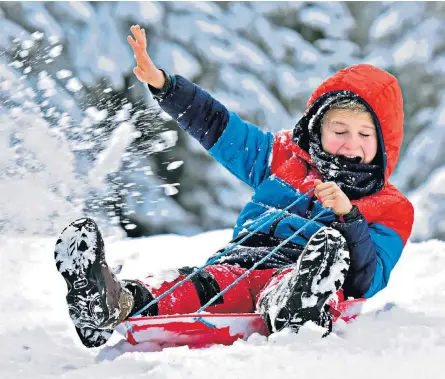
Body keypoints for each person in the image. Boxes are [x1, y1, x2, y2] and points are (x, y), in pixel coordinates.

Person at [54, 25, 414, 348]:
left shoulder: (390, 207)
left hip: (305, 269)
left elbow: (369, 278)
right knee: (195, 286)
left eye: (365, 134)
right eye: (339, 131)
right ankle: (111, 302)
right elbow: (221, 128)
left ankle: (296, 305)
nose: (351, 143)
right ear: (318, 129)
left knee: (319, 257)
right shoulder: (283, 158)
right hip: (240, 265)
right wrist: (166, 87)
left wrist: (348, 216)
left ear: (383, 144)